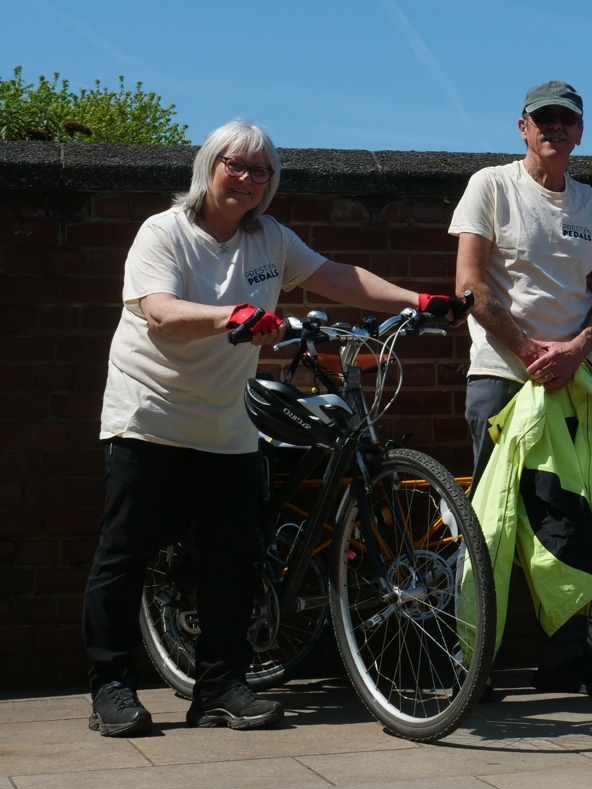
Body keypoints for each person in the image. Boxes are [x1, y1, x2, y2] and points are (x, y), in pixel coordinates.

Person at [87, 119, 463, 736]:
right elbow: (158, 311)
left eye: (261, 171)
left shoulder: (269, 240)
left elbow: (337, 277)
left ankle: (219, 689)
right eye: (236, 164)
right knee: (126, 552)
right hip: (148, 411)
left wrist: (416, 301)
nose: (248, 178)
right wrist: (229, 314)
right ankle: (111, 687)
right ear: (209, 166)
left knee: (232, 553)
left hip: (226, 418)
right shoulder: (165, 232)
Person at [451, 80, 592, 696]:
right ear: (522, 128)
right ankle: (470, 663)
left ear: (580, 133)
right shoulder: (491, 187)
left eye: (566, 120)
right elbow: (470, 285)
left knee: (572, 518)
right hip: (503, 378)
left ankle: (564, 658)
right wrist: (529, 353)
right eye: (542, 118)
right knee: (492, 523)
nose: (554, 127)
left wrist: (575, 351)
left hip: (574, 385)